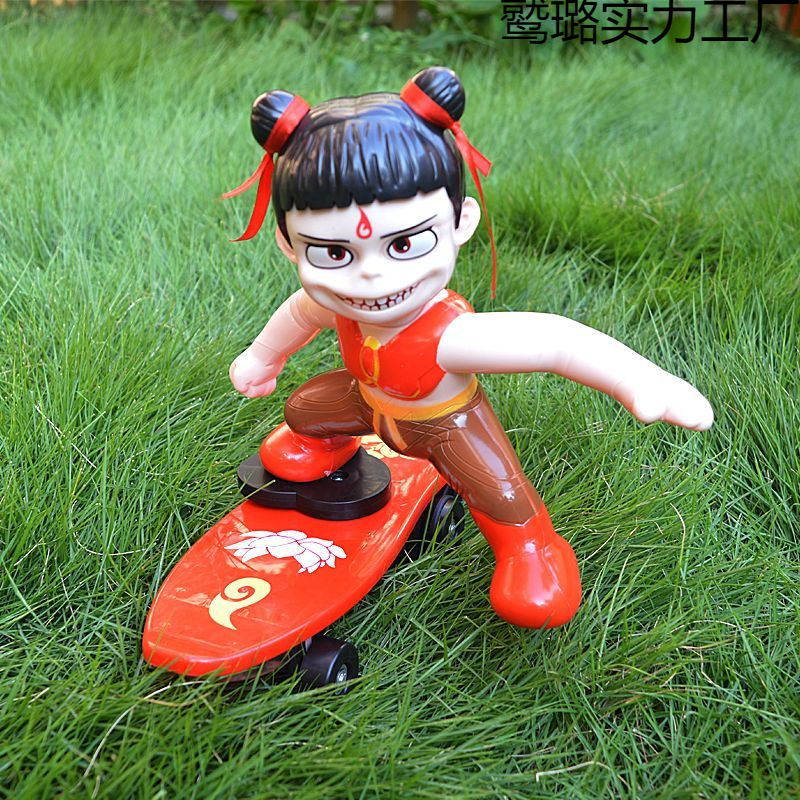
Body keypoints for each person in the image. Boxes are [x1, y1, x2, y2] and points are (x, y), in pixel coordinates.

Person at [225, 67, 713, 629]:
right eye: (334, 254)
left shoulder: (449, 335)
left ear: (461, 221)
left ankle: (531, 548)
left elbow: (553, 341)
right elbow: (297, 315)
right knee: (305, 408)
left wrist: (640, 379)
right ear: (288, 243)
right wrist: (264, 356)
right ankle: (324, 444)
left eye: (404, 244)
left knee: (499, 494)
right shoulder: (335, 304)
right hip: (365, 404)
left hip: (448, 425)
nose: (371, 277)